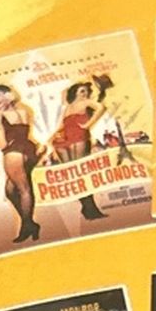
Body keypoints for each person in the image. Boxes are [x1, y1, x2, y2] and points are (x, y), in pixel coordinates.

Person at [0, 82, 45, 243]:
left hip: (14, 153)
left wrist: (3, 145)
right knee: (11, 191)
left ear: (7, 95)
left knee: (23, 190)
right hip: (29, 149)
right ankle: (30, 223)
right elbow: (24, 132)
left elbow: (3, 143)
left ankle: (26, 226)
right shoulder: (24, 111)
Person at [48, 73, 114, 221]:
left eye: (86, 91)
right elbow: (61, 125)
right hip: (63, 140)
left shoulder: (86, 103)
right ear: (75, 93)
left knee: (82, 173)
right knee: (73, 176)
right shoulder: (67, 107)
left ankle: (90, 208)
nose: (85, 93)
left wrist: (88, 125)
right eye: (81, 91)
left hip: (79, 136)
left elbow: (101, 107)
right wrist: (51, 139)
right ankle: (87, 208)